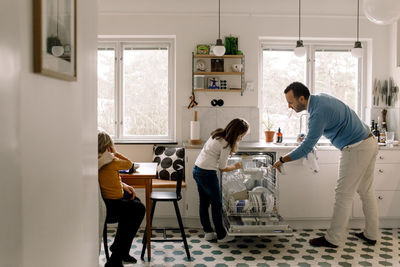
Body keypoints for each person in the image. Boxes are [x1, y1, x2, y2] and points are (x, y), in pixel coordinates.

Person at [273, 82, 378, 248]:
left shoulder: (317, 113)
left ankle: (333, 239)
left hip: (356, 148)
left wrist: (282, 159)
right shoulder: (320, 98)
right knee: (366, 191)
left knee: (343, 194)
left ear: (302, 98)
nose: (289, 106)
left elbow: (307, 146)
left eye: (291, 102)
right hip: (369, 142)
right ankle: (372, 234)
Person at [193, 118, 249, 243]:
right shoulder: (226, 144)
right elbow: (222, 168)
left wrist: (227, 155)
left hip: (197, 169)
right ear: (236, 133)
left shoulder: (217, 134)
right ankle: (221, 235)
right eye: (242, 135)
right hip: (207, 173)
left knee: (204, 203)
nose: (242, 138)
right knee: (216, 204)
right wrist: (236, 166)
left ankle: (208, 232)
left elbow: (214, 153)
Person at [98, 131, 145, 267]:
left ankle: (121, 251)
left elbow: (105, 179)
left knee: (136, 201)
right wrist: (115, 153)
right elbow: (129, 164)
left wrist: (123, 185)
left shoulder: (97, 159)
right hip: (109, 206)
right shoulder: (109, 160)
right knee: (138, 208)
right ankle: (115, 258)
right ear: (109, 147)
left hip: (108, 200)